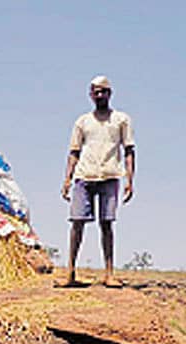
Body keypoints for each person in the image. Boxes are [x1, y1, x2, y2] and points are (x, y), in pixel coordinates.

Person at [61, 75, 135, 288]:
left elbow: (129, 150)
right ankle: (71, 272)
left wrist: (130, 179)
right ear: (91, 95)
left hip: (110, 175)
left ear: (110, 94)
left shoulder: (121, 120)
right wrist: (67, 179)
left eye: (104, 91)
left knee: (107, 223)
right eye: (96, 91)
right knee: (77, 222)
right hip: (84, 176)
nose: (100, 95)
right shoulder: (83, 121)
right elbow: (74, 151)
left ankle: (109, 273)